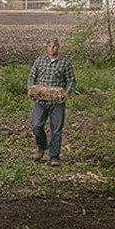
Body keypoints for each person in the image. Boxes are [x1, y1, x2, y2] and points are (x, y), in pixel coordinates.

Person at [27, 38, 76, 166]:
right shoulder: (39, 61)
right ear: (46, 47)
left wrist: (66, 93)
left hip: (57, 102)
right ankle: (42, 146)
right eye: (50, 46)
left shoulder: (65, 63)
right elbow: (32, 77)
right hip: (41, 99)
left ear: (58, 47)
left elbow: (71, 80)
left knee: (56, 129)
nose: (52, 49)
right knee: (36, 125)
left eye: (54, 46)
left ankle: (54, 157)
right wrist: (31, 89)